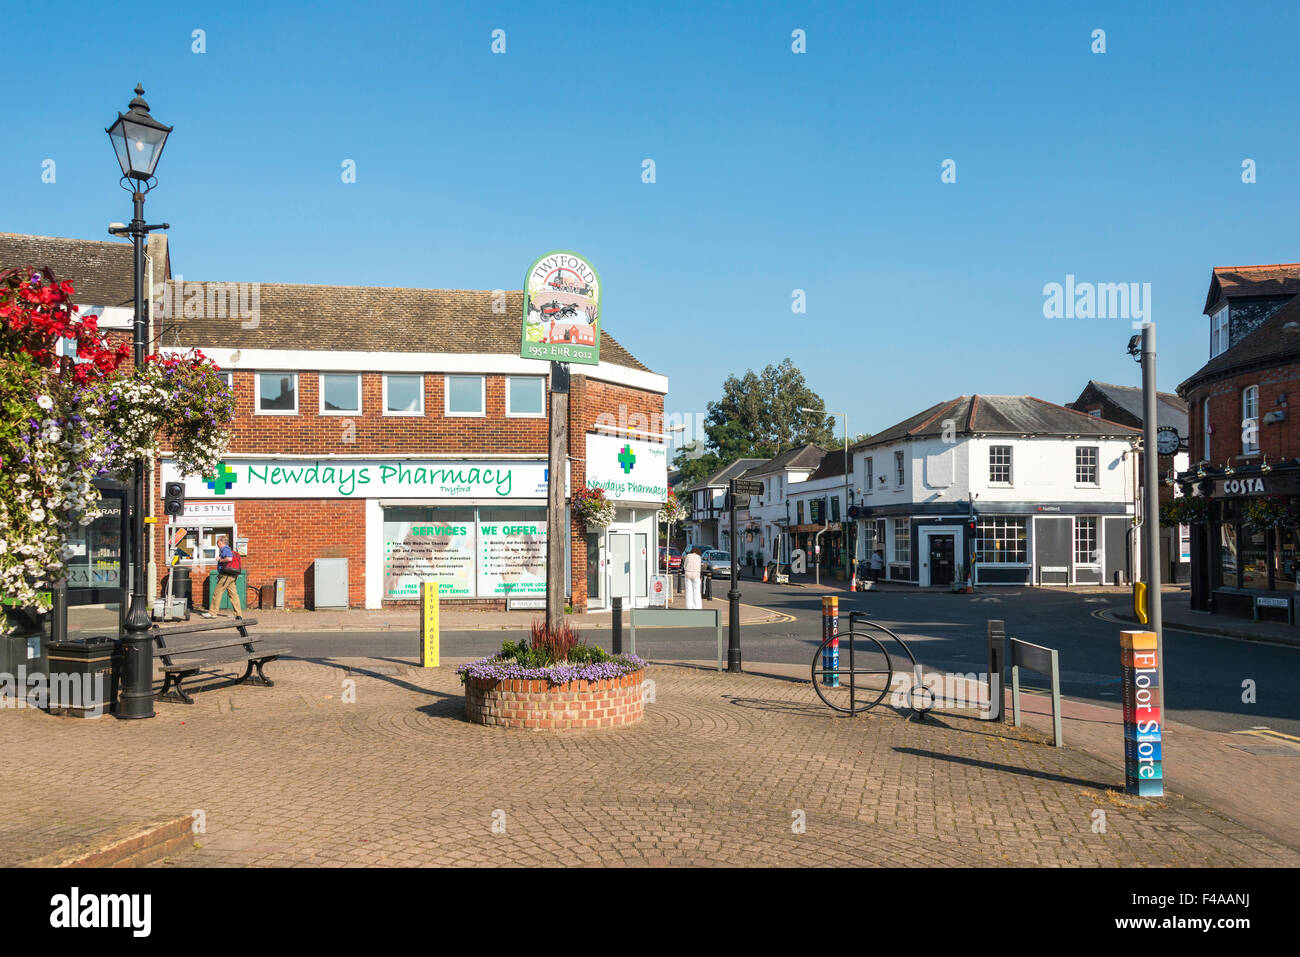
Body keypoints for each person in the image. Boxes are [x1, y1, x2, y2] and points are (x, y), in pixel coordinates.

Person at [213, 534, 243, 617]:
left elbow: (229, 558)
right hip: (232, 575)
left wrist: (220, 559)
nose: (216, 543)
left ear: (221, 542)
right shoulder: (226, 549)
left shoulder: (225, 549)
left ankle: (212, 613)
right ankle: (238, 614)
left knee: (217, 593)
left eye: (217, 541)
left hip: (226, 575)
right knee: (233, 595)